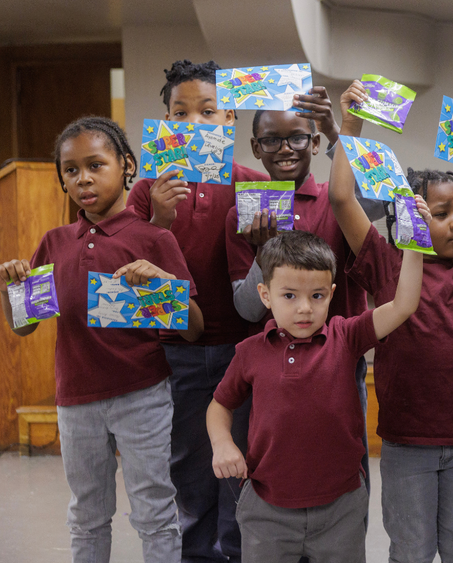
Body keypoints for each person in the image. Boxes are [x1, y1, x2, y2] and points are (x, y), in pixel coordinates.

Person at [329, 82, 453, 563]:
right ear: (410, 215)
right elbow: (340, 199)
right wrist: (350, 126)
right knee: (411, 552)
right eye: (443, 213)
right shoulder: (384, 261)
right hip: (407, 442)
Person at [0, 116, 204, 562]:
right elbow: (24, 326)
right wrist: (11, 293)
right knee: (87, 514)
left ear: (126, 165)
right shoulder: (54, 243)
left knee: (154, 512)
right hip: (75, 401)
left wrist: (161, 281)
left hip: (142, 396)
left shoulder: (154, 238)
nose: (83, 179)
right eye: (71, 171)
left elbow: (194, 328)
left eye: (96, 165)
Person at [206, 229, 424, 562]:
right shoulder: (250, 352)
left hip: (340, 508)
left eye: (317, 296)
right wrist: (222, 443)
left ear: (331, 293)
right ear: (265, 295)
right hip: (267, 511)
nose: (305, 308)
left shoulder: (345, 335)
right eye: (289, 296)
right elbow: (220, 404)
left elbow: (404, 305)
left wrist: (414, 238)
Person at [127, 59, 269, 563]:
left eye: (207, 112)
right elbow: (130, 272)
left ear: (228, 119)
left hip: (243, 349)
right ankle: (195, 554)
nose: (194, 124)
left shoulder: (253, 183)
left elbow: (274, 270)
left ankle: (236, 552)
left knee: (239, 462)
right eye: (179, 113)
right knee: (187, 464)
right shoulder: (146, 190)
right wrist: (158, 221)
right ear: (165, 121)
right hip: (175, 353)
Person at [225, 93, 383, 492]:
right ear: (255, 147)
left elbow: (382, 198)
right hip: (270, 370)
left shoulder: (338, 199)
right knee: (276, 467)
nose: (284, 149)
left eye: (297, 138)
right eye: (271, 140)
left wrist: (336, 130)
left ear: (314, 143)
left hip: (339, 364)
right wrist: (263, 254)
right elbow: (246, 310)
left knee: (346, 466)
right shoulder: (243, 212)